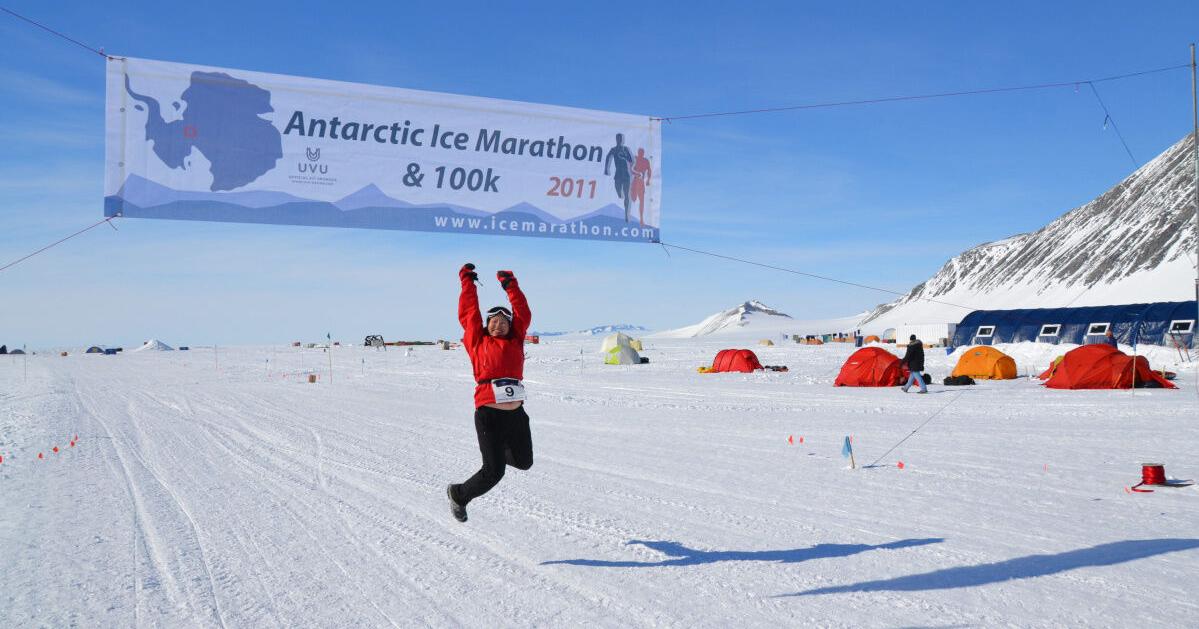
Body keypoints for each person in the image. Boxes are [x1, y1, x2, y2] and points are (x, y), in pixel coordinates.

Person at [447, 263, 533, 522]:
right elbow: (468, 313)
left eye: (503, 322)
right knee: (494, 472)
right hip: (489, 416)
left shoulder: (516, 340)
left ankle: (497, 451)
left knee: (524, 462)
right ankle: (459, 494)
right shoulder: (478, 341)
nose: (498, 325)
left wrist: (510, 285)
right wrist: (468, 283)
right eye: (493, 322)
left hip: (516, 415)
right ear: (486, 325)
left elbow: (523, 313)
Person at [604, 133, 634, 222]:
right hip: (618, 174)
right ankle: (620, 195)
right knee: (618, 191)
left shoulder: (626, 149)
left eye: (621, 138)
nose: (620, 140)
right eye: (618, 138)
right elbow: (607, 157)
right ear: (616, 139)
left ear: (622, 140)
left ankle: (626, 216)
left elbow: (631, 160)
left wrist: (624, 156)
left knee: (627, 196)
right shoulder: (613, 149)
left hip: (626, 174)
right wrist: (606, 169)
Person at [629, 148, 652, 226]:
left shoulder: (646, 161)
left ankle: (641, 219)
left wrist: (648, 180)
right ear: (638, 153)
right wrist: (636, 174)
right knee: (633, 198)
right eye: (639, 152)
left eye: (642, 153)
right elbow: (630, 169)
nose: (641, 154)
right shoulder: (634, 159)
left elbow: (649, 170)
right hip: (634, 181)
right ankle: (628, 215)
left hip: (641, 183)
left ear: (643, 153)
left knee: (641, 201)